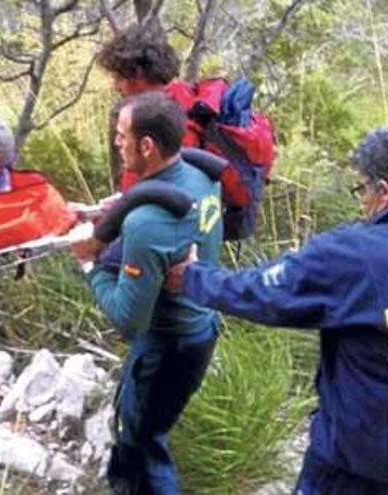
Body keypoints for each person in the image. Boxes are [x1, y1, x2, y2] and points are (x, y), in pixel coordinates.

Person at [165, 128, 388, 494]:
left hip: (354, 464)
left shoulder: (354, 254)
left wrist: (192, 278)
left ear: (383, 191)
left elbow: (264, 292)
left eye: (362, 189)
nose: (361, 202)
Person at [70, 92, 223, 493]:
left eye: (122, 135)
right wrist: (114, 210)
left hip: (166, 345)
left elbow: (127, 319)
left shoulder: (147, 224)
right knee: (143, 433)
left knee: (144, 447)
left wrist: (88, 264)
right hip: (200, 330)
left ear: (147, 145)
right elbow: (165, 213)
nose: (117, 142)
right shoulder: (199, 175)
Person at [96, 22, 193, 191]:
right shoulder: (175, 101)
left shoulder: (169, 119)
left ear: (138, 74)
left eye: (119, 78)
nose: (115, 87)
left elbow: (173, 193)